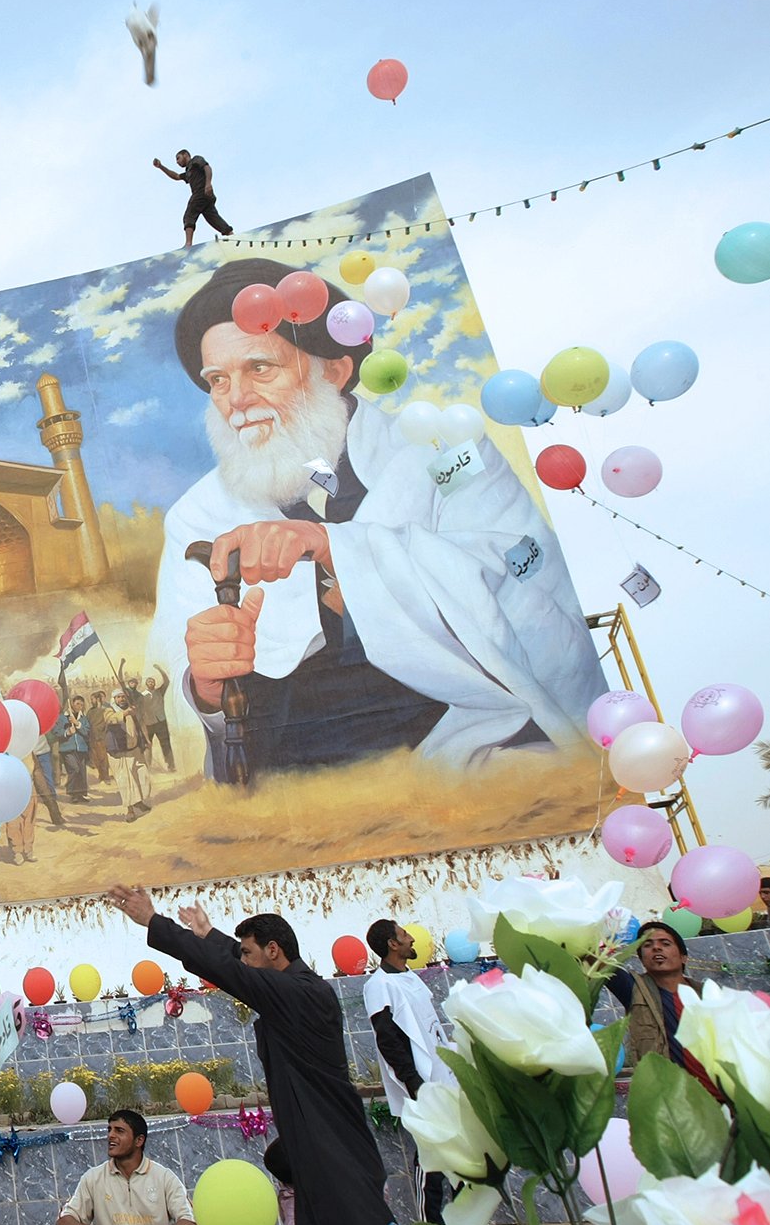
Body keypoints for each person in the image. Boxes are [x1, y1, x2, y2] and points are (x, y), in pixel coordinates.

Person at [146, 257, 604, 779]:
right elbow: (179, 687)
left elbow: (523, 572)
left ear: (335, 370)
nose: (238, 401)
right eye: (218, 380)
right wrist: (205, 685)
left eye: (259, 368)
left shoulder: (447, 451)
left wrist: (334, 548)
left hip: (473, 743)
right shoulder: (198, 515)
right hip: (297, 775)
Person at [108, 887, 420, 1225]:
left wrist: (155, 922)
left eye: (249, 952)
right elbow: (240, 966)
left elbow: (234, 973)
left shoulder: (302, 991)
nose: (245, 961)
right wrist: (210, 935)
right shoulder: (289, 987)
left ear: (274, 950)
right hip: (310, 1142)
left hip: (333, 1142)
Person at [364, 920, 512, 1225]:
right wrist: (413, 1083)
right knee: (432, 1153)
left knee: (465, 1146)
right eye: (404, 935)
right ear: (392, 943)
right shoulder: (379, 985)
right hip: (420, 1083)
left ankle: (471, 1219)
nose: (410, 938)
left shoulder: (409, 977)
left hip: (444, 1076)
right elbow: (387, 1039)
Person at [57, 1108, 198, 1225]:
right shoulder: (93, 1178)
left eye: (119, 1131)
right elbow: (63, 1222)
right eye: (109, 1130)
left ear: (139, 1140)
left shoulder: (164, 1177)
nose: (110, 1136)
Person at [603, 921, 723, 1099]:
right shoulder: (634, 990)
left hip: (721, 1095)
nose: (656, 948)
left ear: (684, 957)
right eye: (647, 945)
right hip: (671, 1101)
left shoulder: (708, 994)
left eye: (665, 943)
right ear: (642, 958)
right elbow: (597, 960)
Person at [152, 151, 234, 247]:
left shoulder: (195, 160)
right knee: (213, 218)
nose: (177, 162)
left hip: (201, 192)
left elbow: (207, 167)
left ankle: (188, 244)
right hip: (206, 197)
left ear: (185, 155)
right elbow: (176, 176)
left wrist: (208, 183)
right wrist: (161, 167)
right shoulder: (188, 171)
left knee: (189, 215)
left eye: (178, 158)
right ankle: (230, 235)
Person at [107, 689, 152, 822]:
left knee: (142, 776)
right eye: (118, 697)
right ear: (114, 699)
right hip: (119, 753)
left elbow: (140, 724)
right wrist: (125, 713)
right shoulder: (109, 710)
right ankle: (130, 810)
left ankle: (139, 802)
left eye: (123, 696)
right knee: (126, 781)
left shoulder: (132, 709)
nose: (121, 699)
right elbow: (110, 720)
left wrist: (146, 740)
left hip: (134, 749)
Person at [138, 665, 175, 771]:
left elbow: (166, 682)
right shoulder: (142, 696)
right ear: (146, 684)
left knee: (166, 744)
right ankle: (147, 767)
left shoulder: (159, 692)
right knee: (147, 745)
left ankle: (171, 765)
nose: (151, 683)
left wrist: (160, 669)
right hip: (148, 723)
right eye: (149, 682)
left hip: (161, 722)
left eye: (152, 682)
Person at [57, 695, 91, 801]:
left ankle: (80, 795)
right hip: (67, 749)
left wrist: (77, 724)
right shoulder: (62, 717)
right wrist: (67, 732)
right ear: (72, 704)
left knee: (81, 771)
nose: (79, 706)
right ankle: (72, 793)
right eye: (77, 704)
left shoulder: (83, 719)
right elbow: (56, 732)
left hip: (81, 749)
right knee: (74, 769)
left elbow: (87, 732)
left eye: (81, 704)